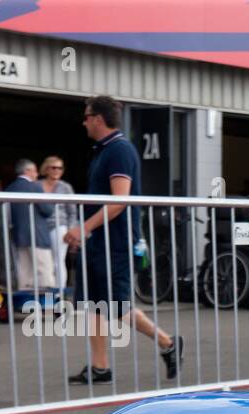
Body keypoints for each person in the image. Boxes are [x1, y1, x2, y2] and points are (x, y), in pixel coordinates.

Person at [64, 95, 181, 385]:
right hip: (97, 242)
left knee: (118, 307)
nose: (83, 122)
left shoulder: (119, 150)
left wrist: (84, 228)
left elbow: (120, 201)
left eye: (86, 116)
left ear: (98, 119)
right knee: (93, 305)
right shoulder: (102, 151)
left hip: (115, 243)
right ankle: (100, 367)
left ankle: (168, 343)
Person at [6, 158, 56, 291]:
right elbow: (47, 210)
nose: (36, 174)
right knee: (44, 272)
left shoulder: (10, 189)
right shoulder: (34, 187)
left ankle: (24, 306)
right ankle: (48, 306)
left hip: (18, 236)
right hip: (38, 236)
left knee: (24, 272)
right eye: (34, 171)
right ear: (27, 171)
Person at [40, 156, 74, 290]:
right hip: (40, 227)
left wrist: (71, 230)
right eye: (54, 167)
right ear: (46, 169)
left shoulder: (65, 187)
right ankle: (45, 295)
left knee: (58, 261)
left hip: (59, 227)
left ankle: (58, 294)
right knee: (43, 263)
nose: (57, 170)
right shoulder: (37, 185)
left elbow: (72, 211)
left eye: (60, 168)